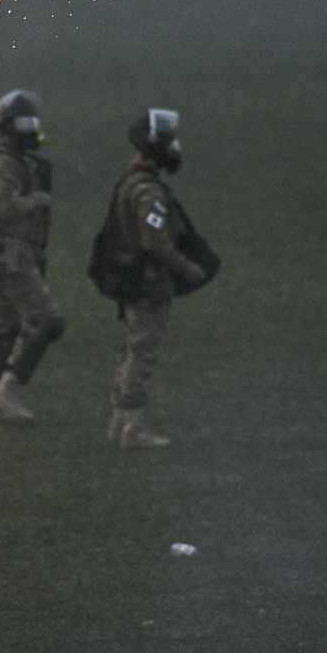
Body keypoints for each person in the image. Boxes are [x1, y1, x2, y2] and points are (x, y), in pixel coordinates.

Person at [107, 108, 210, 448]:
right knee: (142, 353)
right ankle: (132, 428)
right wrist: (186, 268)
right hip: (149, 283)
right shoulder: (147, 191)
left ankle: (120, 422)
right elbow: (155, 243)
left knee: (132, 349)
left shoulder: (130, 180)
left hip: (136, 280)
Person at [0, 90, 65, 426]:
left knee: (2, 329)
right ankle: (7, 391)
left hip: (4, 256)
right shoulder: (3, 163)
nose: (30, 129)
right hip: (10, 257)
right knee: (47, 321)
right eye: (23, 123)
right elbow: (5, 207)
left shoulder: (16, 161)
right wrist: (38, 200)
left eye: (33, 123)